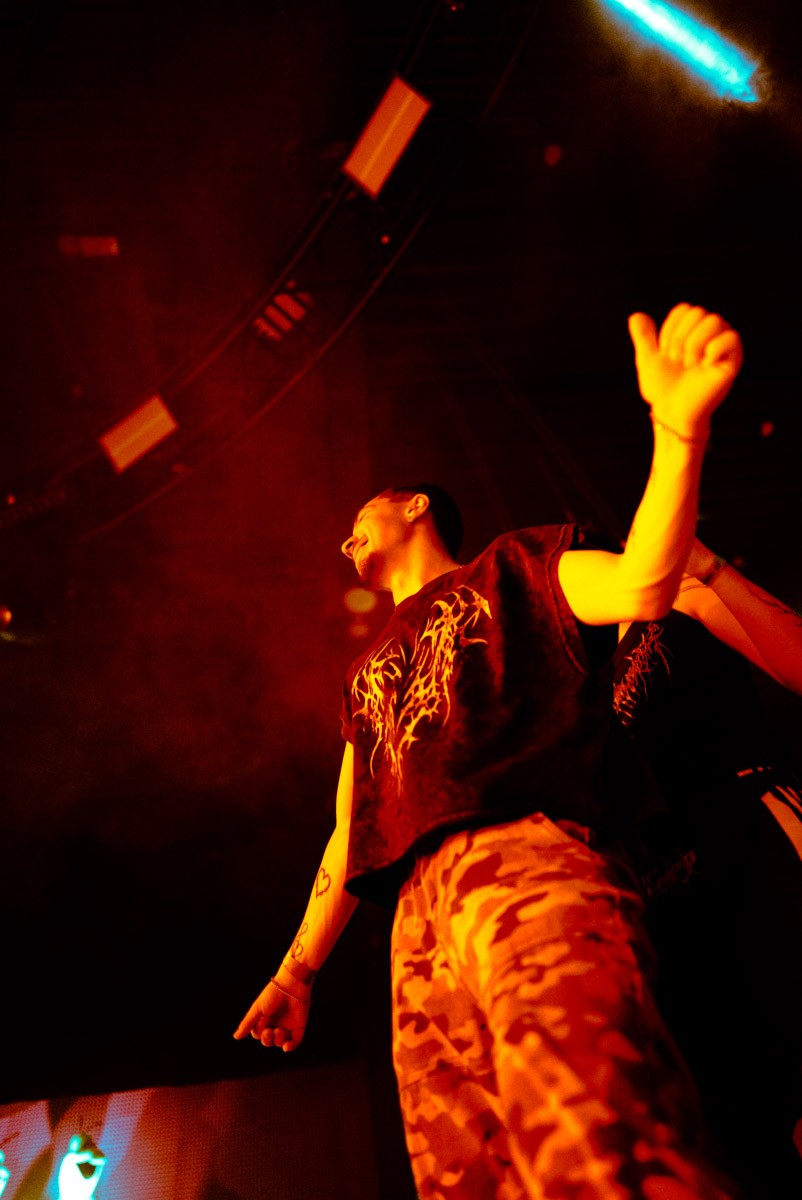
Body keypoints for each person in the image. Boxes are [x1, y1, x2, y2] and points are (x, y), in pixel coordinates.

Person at [234, 302, 745, 1199]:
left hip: (527, 854)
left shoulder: (515, 566)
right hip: (415, 923)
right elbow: (349, 832)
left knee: (598, 1135)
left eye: (360, 515)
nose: (344, 537)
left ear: (415, 507)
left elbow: (643, 585)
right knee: (470, 1180)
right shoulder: (362, 675)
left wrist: (678, 434)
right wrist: (297, 971)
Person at [614, 538, 802, 1195]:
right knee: (745, 1114)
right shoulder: (570, 681)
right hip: (672, 898)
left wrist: (710, 569)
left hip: (753, 827)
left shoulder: (676, 601)